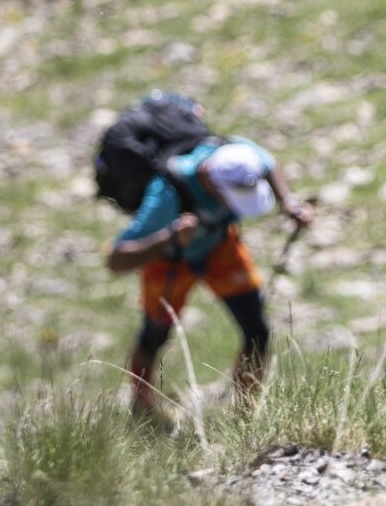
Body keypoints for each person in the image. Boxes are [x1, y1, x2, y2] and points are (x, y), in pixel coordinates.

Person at [106, 136, 314, 424]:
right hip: (170, 261)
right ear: (210, 181)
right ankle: (142, 408)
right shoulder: (166, 194)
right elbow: (116, 260)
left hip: (220, 248)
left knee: (258, 331)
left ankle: (245, 415)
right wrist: (169, 237)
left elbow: (267, 163)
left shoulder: (238, 155)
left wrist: (288, 202)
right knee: (155, 333)